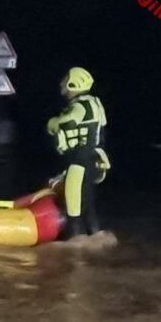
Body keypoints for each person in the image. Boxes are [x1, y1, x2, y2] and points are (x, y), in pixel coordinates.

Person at [46, 67, 109, 238]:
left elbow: (66, 123)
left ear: (74, 83)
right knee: (88, 205)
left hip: (79, 162)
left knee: (73, 206)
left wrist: (52, 123)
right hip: (92, 161)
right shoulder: (94, 103)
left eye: (66, 80)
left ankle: (74, 246)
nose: (62, 84)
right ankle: (95, 239)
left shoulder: (81, 106)